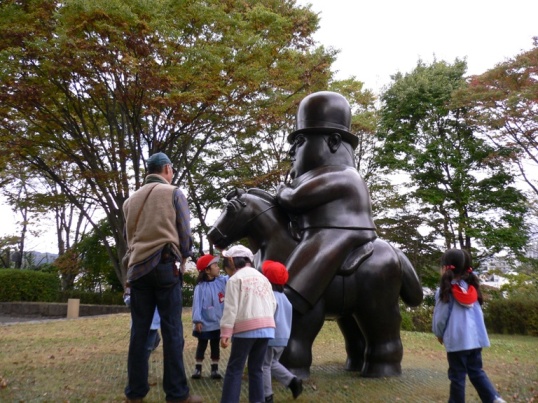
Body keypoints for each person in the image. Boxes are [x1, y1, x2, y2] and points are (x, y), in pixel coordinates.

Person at [276, 91, 377, 314]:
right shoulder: (320, 176)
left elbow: (294, 200)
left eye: (300, 142)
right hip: (319, 231)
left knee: (306, 266)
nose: (292, 150)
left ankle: (295, 294)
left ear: (333, 142)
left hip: (341, 233)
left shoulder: (343, 175)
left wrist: (282, 191)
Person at [123, 152, 202, 403]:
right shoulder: (173, 192)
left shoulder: (130, 200)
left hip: (137, 270)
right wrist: (186, 256)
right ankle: (177, 394)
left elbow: (129, 238)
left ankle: (135, 394)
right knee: (172, 331)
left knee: (139, 333)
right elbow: (185, 230)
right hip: (165, 265)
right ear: (167, 168)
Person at [432, 248, 506, 403]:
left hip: (457, 341)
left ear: (446, 267)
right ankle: (493, 399)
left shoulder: (445, 291)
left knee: (457, 377)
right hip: (475, 340)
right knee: (476, 372)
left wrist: (438, 333)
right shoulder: (472, 289)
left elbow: (440, 318)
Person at [219, 245, 277, 403]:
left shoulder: (235, 280)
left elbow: (231, 309)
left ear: (231, 261)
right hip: (266, 329)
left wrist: (225, 333)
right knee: (256, 369)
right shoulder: (263, 278)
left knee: (235, 368)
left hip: (245, 330)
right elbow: (273, 304)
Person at [261, 260, 303, 403]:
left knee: (264, 365)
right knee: (272, 363)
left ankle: (267, 395)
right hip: (283, 337)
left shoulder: (268, 297)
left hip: (270, 336)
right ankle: (293, 381)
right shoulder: (285, 298)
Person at [191, 254, 227, 380]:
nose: (218, 268)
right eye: (215, 265)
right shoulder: (200, 287)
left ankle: (214, 369)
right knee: (202, 344)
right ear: (207, 270)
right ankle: (198, 368)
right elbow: (197, 304)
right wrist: (197, 320)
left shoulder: (222, 281)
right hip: (205, 323)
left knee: (215, 345)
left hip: (218, 322)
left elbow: (233, 278)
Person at [123, 282, 161, 359]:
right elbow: (128, 301)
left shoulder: (137, 279)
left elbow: (128, 301)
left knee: (142, 351)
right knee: (141, 350)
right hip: (145, 322)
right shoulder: (135, 278)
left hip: (149, 322)